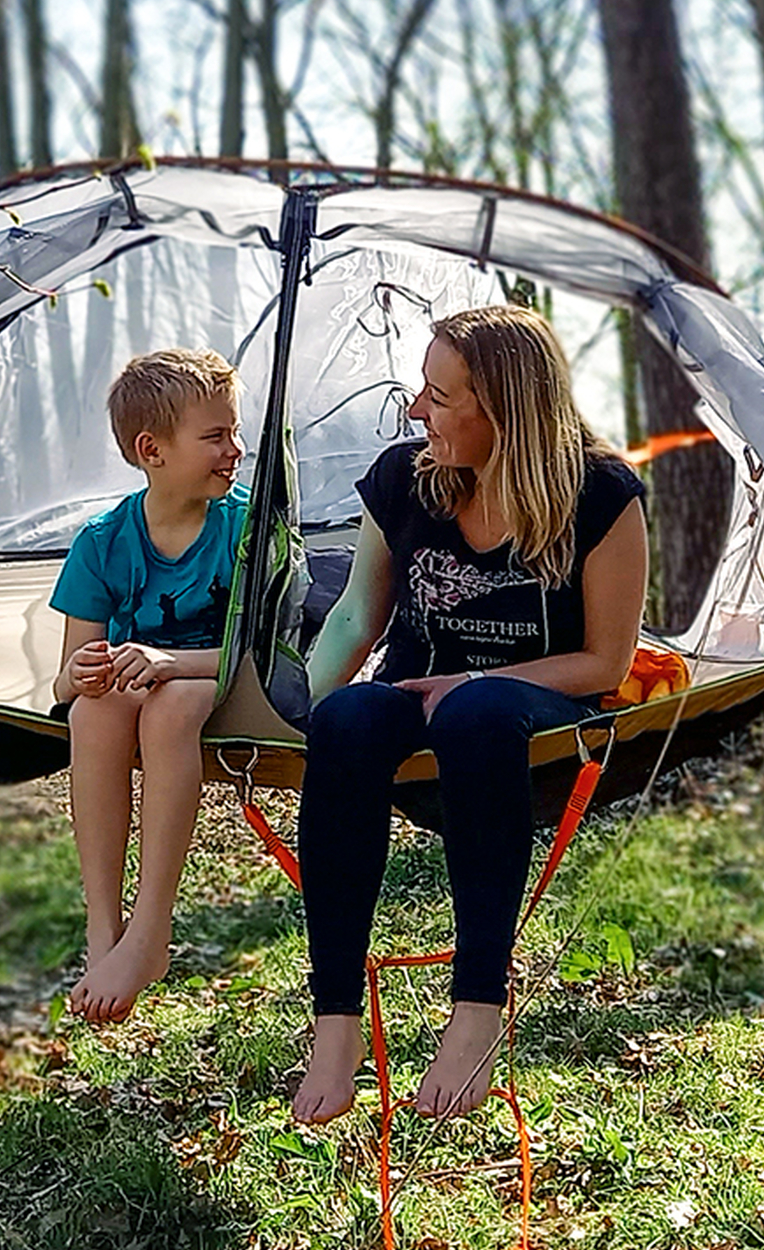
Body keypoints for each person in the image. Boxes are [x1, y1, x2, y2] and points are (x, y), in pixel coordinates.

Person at [292, 304, 648, 1125]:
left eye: (440, 395)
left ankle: (477, 1008)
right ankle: (336, 1022)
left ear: (505, 408)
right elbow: (354, 618)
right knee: (345, 721)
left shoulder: (601, 494)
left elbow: (607, 663)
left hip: (538, 716)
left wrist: (475, 679)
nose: (419, 409)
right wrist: (295, 713)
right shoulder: (405, 479)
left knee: (478, 709)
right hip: (416, 698)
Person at [50, 349, 247, 1024]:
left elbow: (266, 657)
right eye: (215, 436)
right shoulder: (103, 541)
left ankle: (150, 928)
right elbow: (69, 673)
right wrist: (80, 675)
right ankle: (103, 927)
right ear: (151, 450)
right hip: (148, 687)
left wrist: (171, 663)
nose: (236, 450)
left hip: (224, 684)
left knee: (170, 707)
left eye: (235, 431)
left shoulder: (248, 527)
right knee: (94, 713)